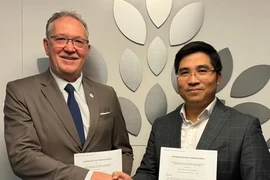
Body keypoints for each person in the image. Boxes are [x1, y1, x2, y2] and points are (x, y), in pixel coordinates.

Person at [112, 41, 270, 180]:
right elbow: (149, 173)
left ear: (218, 77)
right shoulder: (162, 125)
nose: (193, 80)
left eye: (202, 71)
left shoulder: (245, 127)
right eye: (185, 72)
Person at [4, 10, 133, 180]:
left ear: (87, 50)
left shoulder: (106, 94)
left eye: (78, 41)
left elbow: (123, 150)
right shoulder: (20, 92)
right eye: (61, 39)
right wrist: (89, 177)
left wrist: (118, 176)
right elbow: (23, 157)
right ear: (46, 45)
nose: (70, 48)